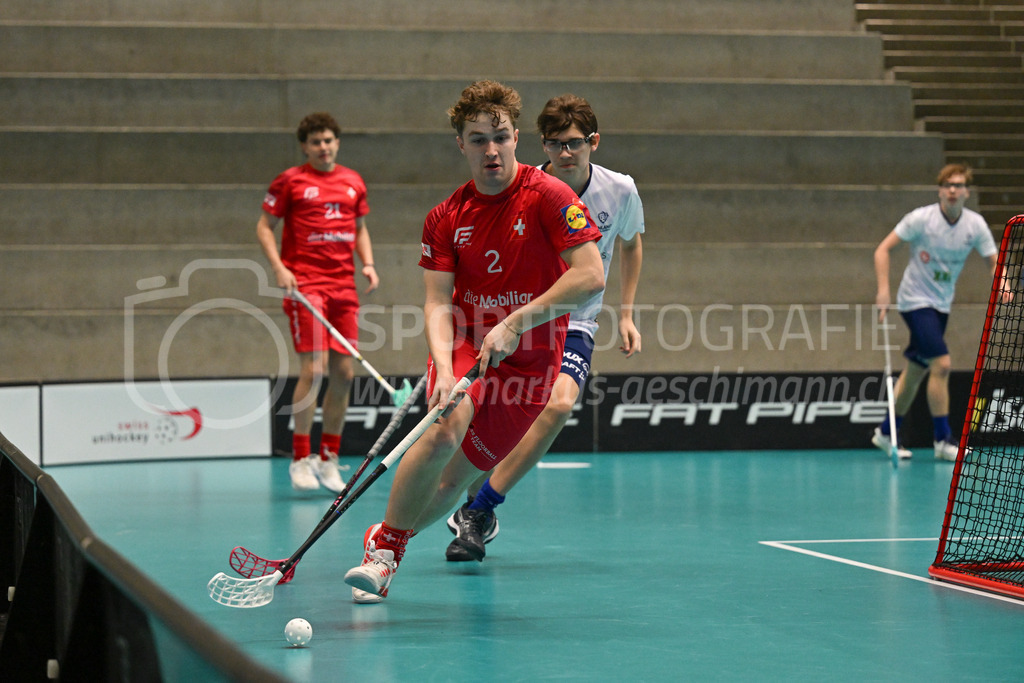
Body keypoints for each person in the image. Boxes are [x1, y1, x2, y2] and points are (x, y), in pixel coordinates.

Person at [342, 80, 604, 603]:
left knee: (457, 481)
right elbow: (437, 302)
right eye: (478, 138)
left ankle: (389, 534)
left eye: (501, 137)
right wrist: (442, 368)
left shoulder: (550, 196)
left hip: (531, 362)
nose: (491, 149)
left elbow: (591, 275)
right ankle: (387, 554)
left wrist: (518, 321)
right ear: (460, 144)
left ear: (515, 140)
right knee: (443, 432)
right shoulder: (445, 218)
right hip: (469, 344)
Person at [443, 94, 645, 562]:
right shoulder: (528, 189)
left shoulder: (620, 190)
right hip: (521, 317)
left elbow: (632, 244)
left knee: (559, 403)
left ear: (594, 142)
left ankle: (480, 509)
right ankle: (463, 497)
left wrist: (628, 312)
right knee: (493, 420)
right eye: (554, 144)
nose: (565, 154)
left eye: (574, 143)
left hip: (575, 318)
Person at [256, 112, 379, 492]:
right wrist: (279, 267)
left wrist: (368, 264)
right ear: (305, 147)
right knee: (315, 369)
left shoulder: (352, 181)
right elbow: (263, 226)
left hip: (343, 287)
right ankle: (300, 459)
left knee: (344, 373)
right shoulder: (291, 182)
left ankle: (328, 458)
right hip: (306, 286)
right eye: (315, 142)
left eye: (328, 140)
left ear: (337, 143)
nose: (323, 147)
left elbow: (359, 228)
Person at [872, 163, 1010, 461]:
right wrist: (883, 291)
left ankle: (885, 432)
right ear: (940, 190)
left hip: (941, 304)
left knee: (916, 371)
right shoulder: (921, 219)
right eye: (947, 185)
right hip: (914, 301)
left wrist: (1003, 283)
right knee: (942, 365)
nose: (952, 190)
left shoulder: (974, 225)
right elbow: (882, 250)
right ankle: (943, 439)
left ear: (966, 192)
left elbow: (992, 260)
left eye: (958, 186)